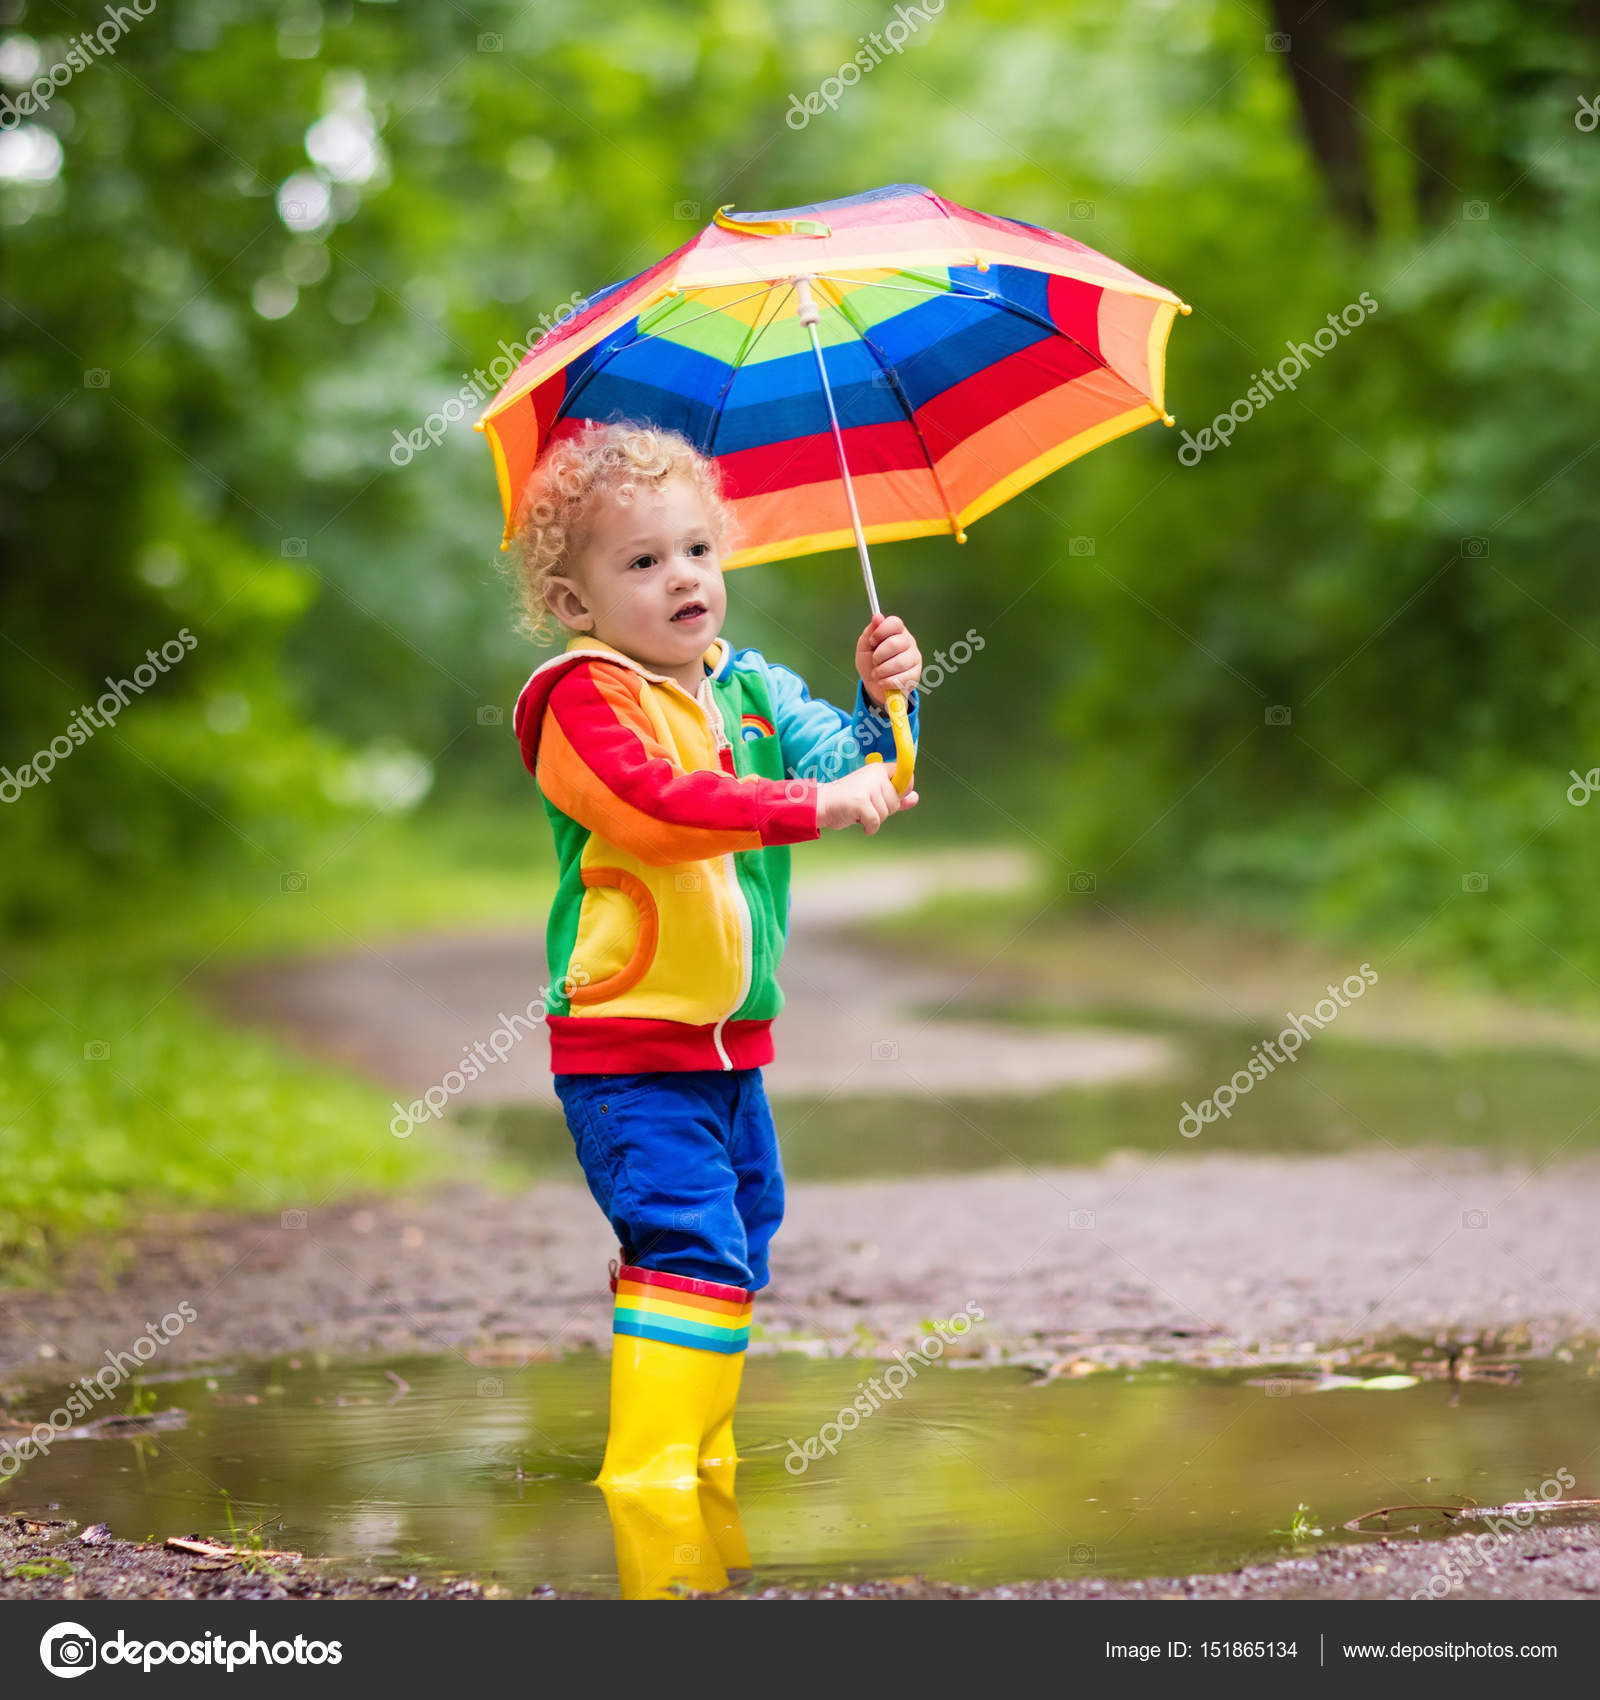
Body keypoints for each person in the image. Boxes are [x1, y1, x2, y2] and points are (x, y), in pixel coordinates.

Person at [511, 420, 922, 1496]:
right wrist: (807, 804)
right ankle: (648, 1480)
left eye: (697, 549)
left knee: (736, 1242)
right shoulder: (579, 700)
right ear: (574, 602)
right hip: (625, 1048)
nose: (682, 577)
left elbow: (868, 772)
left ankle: (704, 1457)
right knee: (693, 1247)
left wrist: (888, 704)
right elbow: (658, 807)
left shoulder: (755, 689)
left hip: (730, 1050)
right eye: (641, 562)